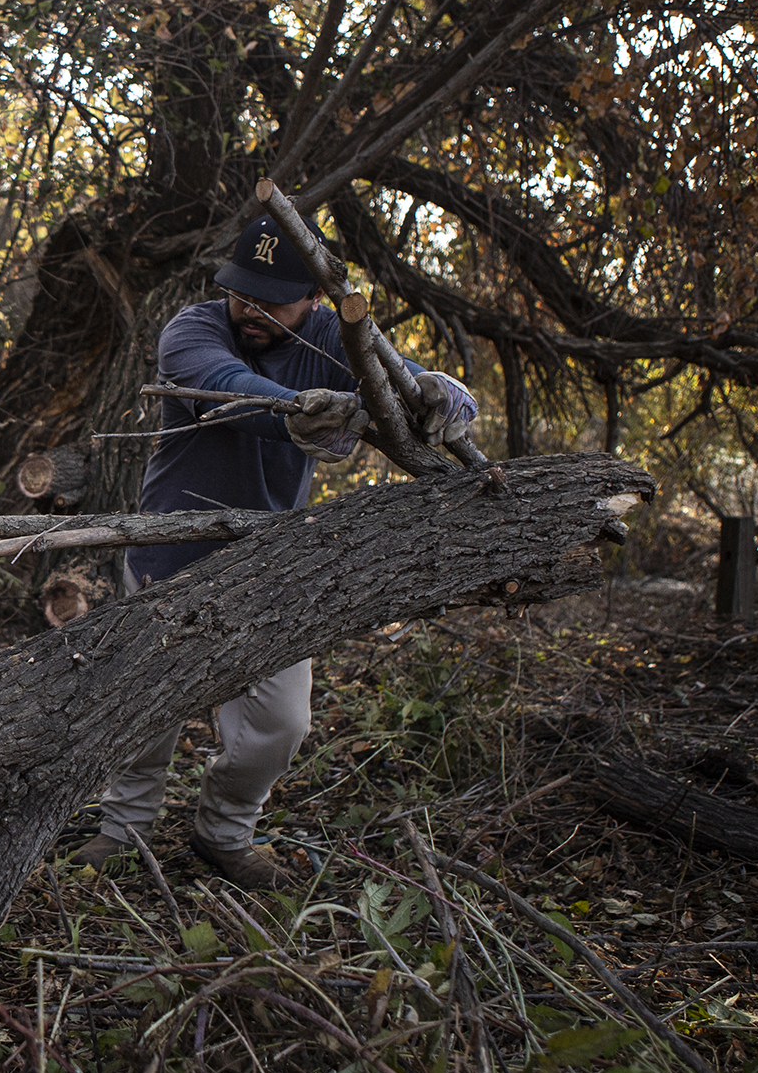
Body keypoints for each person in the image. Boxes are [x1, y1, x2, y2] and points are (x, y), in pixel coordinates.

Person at [69, 216, 478, 889]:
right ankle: (123, 830)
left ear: (314, 299)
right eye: (241, 294)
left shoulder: (329, 335)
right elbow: (228, 388)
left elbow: (404, 380)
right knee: (144, 712)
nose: (250, 311)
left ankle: (222, 832)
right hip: (171, 555)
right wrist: (308, 409)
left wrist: (442, 394)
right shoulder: (192, 330)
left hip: (273, 565)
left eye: (271, 300)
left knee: (282, 722)